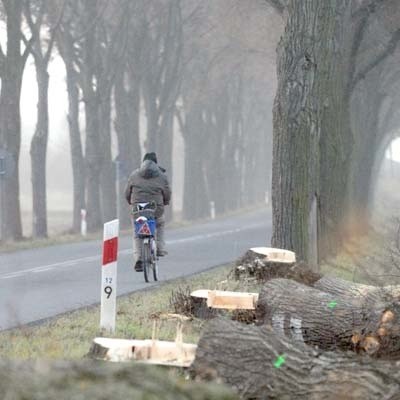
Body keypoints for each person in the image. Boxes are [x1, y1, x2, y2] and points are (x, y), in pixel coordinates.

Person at [124, 152, 171, 271]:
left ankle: (139, 259)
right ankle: (159, 249)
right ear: (156, 163)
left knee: (137, 233)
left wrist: (131, 202)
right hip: (155, 209)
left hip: (138, 209)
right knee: (159, 224)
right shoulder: (162, 176)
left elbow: (127, 193)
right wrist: (165, 202)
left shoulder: (134, 175)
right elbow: (167, 194)